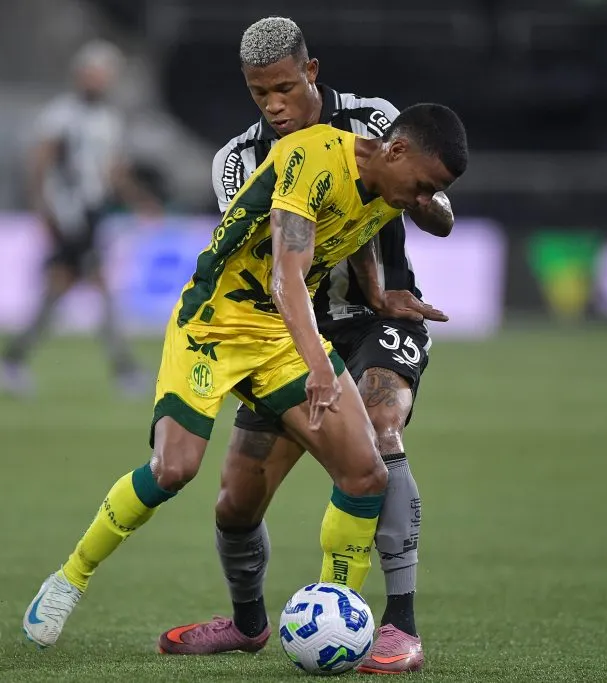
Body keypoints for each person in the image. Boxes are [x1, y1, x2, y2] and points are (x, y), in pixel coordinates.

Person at [20, 102, 468, 656]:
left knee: (365, 473)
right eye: (423, 185)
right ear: (396, 151)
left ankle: (337, 620)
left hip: (277, 336)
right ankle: (70, 578)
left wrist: (377, 294)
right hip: (214, 322)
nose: (422, 199)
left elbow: (359, 232)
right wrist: (323, 369)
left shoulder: (388, 182)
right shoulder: (315, 158)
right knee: (173, 468)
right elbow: (286, 278)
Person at [156, 17, 457, 674]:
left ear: (311, 73)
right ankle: (247, 623)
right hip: (290, 337)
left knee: (380, 425)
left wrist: (421, 194)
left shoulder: (376, 119)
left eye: (285, 87)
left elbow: (435, 208)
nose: (274, 104)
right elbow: (278, 263)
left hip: (383, 317)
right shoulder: (238, 161)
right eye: (259, 93)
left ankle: (400, 624)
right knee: (236, 502)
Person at [0, 40, 159, 397]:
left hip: (92, 215)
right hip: (69, 216)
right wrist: (44, 212)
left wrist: (140, 200)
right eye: (96, 73)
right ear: (82, 75)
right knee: (100, 291)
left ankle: (10, 362)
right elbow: (40, 165)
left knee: (57, 293)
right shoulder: (60, 115)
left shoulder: (108, 120)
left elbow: (113, 172)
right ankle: (124, 371)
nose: (101, 80)